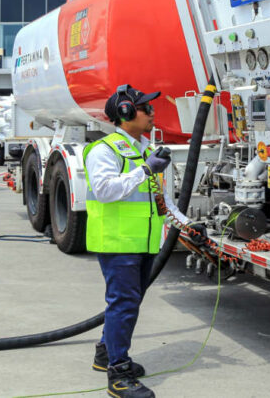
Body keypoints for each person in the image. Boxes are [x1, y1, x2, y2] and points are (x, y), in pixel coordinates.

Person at [83, 85, 172, 398]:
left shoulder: (144, 150)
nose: (152, 113)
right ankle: (118, 376)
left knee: (126, 304)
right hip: (117, 243)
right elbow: (106, 191)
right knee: (123, 305)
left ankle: (106, 354)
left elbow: (159, 199)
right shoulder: (104, 151)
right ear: (126, 113)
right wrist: (145, 169)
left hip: (142, 242)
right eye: (146, 108)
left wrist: (188, 225)